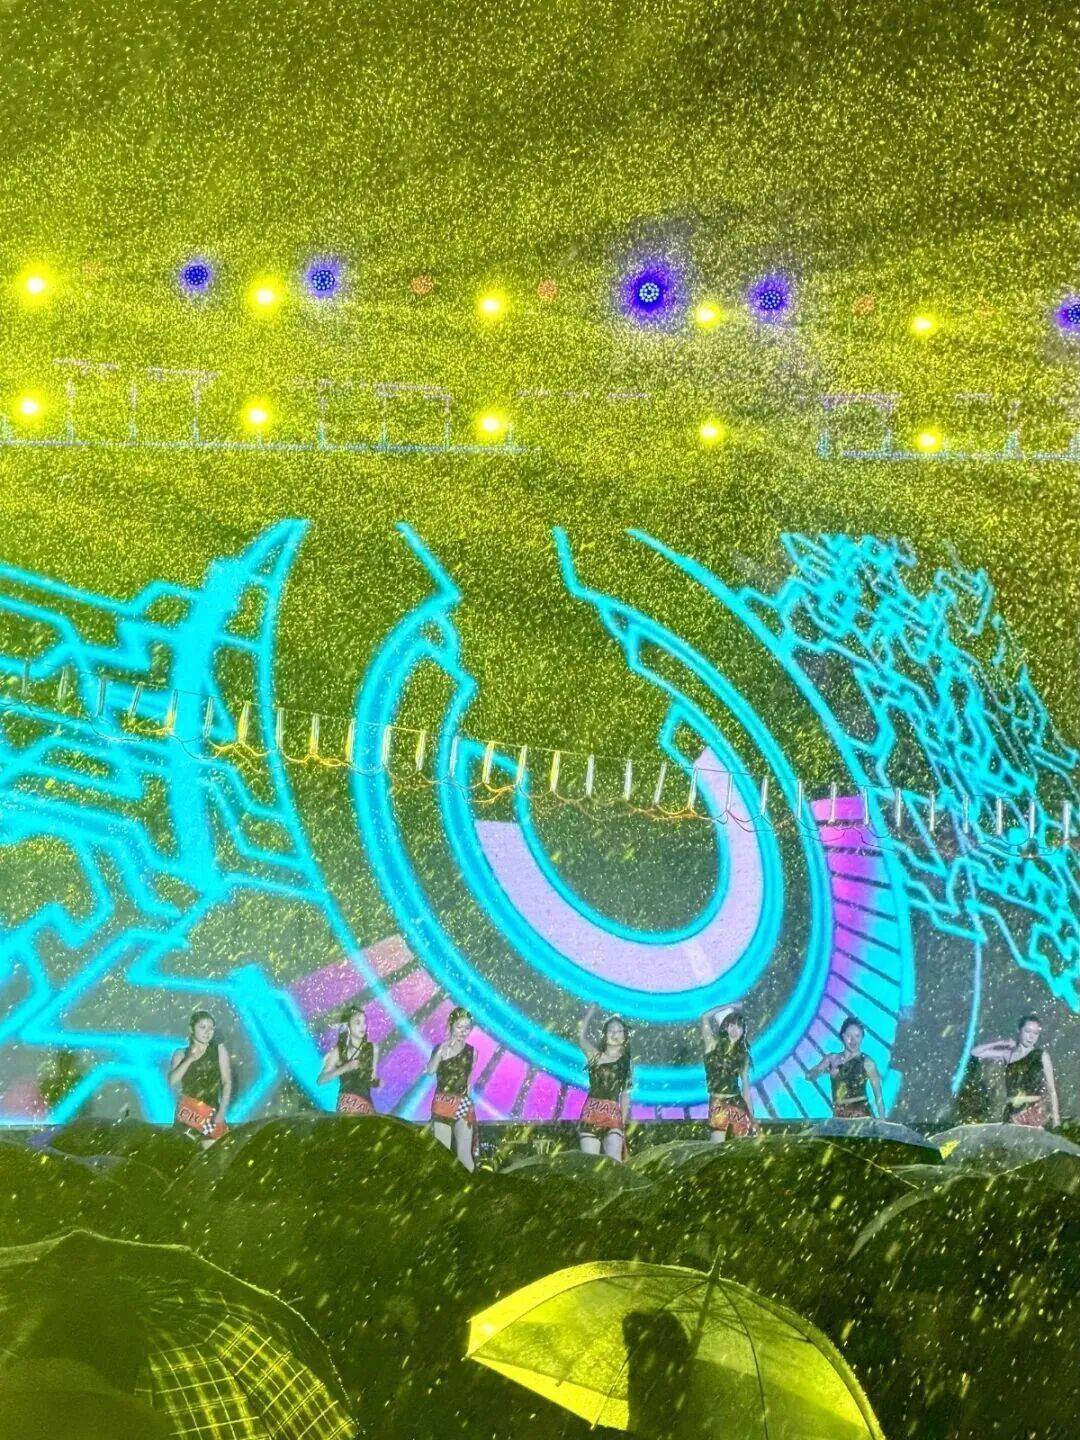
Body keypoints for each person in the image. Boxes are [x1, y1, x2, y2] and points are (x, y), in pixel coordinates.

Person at [971, 1014, 1060, 1128]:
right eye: (1028, 1031)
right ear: (1019, 1031)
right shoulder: (1008, 1055)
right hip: (1011, 1113)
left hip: (1033, 1113)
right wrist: (1002, 1043)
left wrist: (1056, 1119)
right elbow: (975, 1052)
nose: (1031, 1037)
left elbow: (1052, 1090)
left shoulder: (1042, 1055)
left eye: (1036, 1033)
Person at [167, 1009, 232, 1146]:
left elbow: (227, 1082)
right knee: (185, 1152)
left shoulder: (218, 1050)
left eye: (211, 1028)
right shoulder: (181, 1053)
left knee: (212, 1154)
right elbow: (172, 1081)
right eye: (202, 1027)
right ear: (192, 1029)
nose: (207, 1032)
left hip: (211, 1112)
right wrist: (190, 1059)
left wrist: (222, 1112)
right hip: (188, 1112)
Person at [577, 1004, 632, 1161]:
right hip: (591, 1113)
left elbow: (626, 1094)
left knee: (615, 1163)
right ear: (605, 1035)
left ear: (624, 1036)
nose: (615, 1033)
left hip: (613, 1115)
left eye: (619, 1030)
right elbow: (580, 1038)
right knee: (590, 1163)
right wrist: (590, 1012)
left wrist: (623, 1123)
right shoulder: (595, 1057)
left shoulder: (626, 1063)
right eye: (611, 1030)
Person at [426, 1007, 477, 1170]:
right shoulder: (440, 1048)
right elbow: (430, 1071)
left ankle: (471, 1183)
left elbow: (468, 1080)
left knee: (465, 1154)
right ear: (451, 1025)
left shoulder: (472, 1052)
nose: (463, 1031)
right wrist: (441, 1051)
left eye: (467, 1028)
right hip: (443, 1103)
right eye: (459, 1027)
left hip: (462, 1103)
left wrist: (470, 1106)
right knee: (443, 1153)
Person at [807, 1015, 884, 1119]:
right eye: (849, 1036)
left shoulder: (867, 1062)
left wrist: (882, 1121)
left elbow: (878, 1096)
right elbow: (809, 1076)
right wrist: (822, 1071)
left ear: (862, 1037)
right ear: (843, 1036)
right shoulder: (832, 1059)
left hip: (861, 1115)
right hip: (839, 1115)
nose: (853, 1040)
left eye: (857, 1036)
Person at [700, 1004, 757, 1142]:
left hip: (736, 1102)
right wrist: (730, 1005)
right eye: (732, 1025)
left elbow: (745, 1087)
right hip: (718, 1103)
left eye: (739, 1027)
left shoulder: (743, 1056)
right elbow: (705, 1017)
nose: (735, 1030)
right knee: (716, 1147)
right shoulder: (712, 1046)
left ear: (743, 1031)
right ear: (725, 1027)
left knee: (741, 1147)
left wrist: (752, 1117)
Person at [317, 1005, 380, 1115]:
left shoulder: (373, 1048)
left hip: (365, 1105)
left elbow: (372, 1078)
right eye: (357, 1023)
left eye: (364, 1022)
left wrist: (376, 1082)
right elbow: (320, 1080)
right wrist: (345, 1068)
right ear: (348, 1026)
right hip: (346, 1105)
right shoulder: (339, 1051)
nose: (363, 1026)